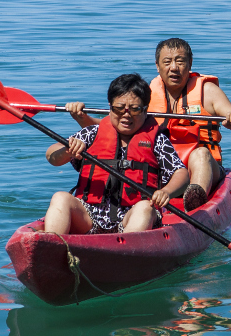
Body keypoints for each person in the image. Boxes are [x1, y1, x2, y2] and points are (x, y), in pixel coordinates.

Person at [42, 72, 189, 235]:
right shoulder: (92, 133)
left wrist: (166, 192)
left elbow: (181, 173)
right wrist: (67, 150)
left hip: (132, 216)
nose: (126, 115)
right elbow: (52, 157)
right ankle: (53, 242)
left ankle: (126, 249)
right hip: (89, 216)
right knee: (60, 197)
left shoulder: (157, 140)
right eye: (119, 108)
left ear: (145, 110)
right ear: (110, 108)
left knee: (145, 207)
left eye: (135, 109)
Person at [147, 37, 231, 211]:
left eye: (180, 61)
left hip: (204, 168)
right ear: (157, 66)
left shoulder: (208, 91)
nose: (174, 67)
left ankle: (196, 202)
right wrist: (84, 119)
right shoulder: (146, 94)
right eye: (167, 62)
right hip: (165, 170)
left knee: (200, 154)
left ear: (190, 63)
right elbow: (117, 124)